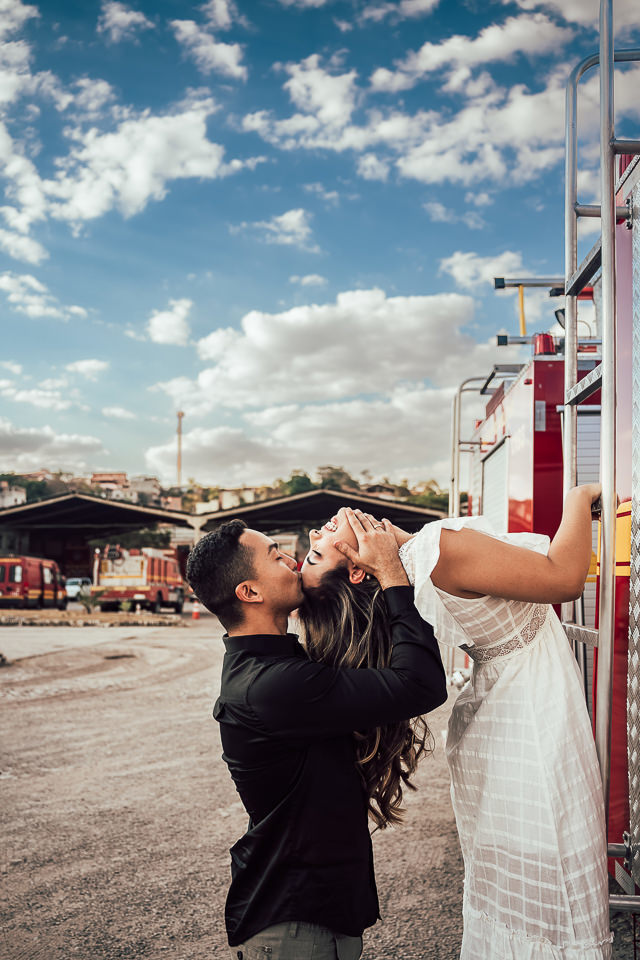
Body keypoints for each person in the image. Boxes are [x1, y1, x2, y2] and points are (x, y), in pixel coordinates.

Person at [298, 486, 612, 960]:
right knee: (558, 883)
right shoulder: (434, 550)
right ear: (358, 568)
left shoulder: (415, 570)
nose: (318, 530)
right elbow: (565, 580)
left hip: (504, 717)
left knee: (526, 891)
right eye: (319, 550)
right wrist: (578, 495)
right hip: (532, 712)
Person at [185, 517, 447, 960]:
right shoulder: (273, 686)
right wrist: (391, 575)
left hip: (316, 911)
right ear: (250, 592)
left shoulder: (283, 668)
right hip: (292, 924)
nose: (292, 559)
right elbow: (420, 685)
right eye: (275, 556)